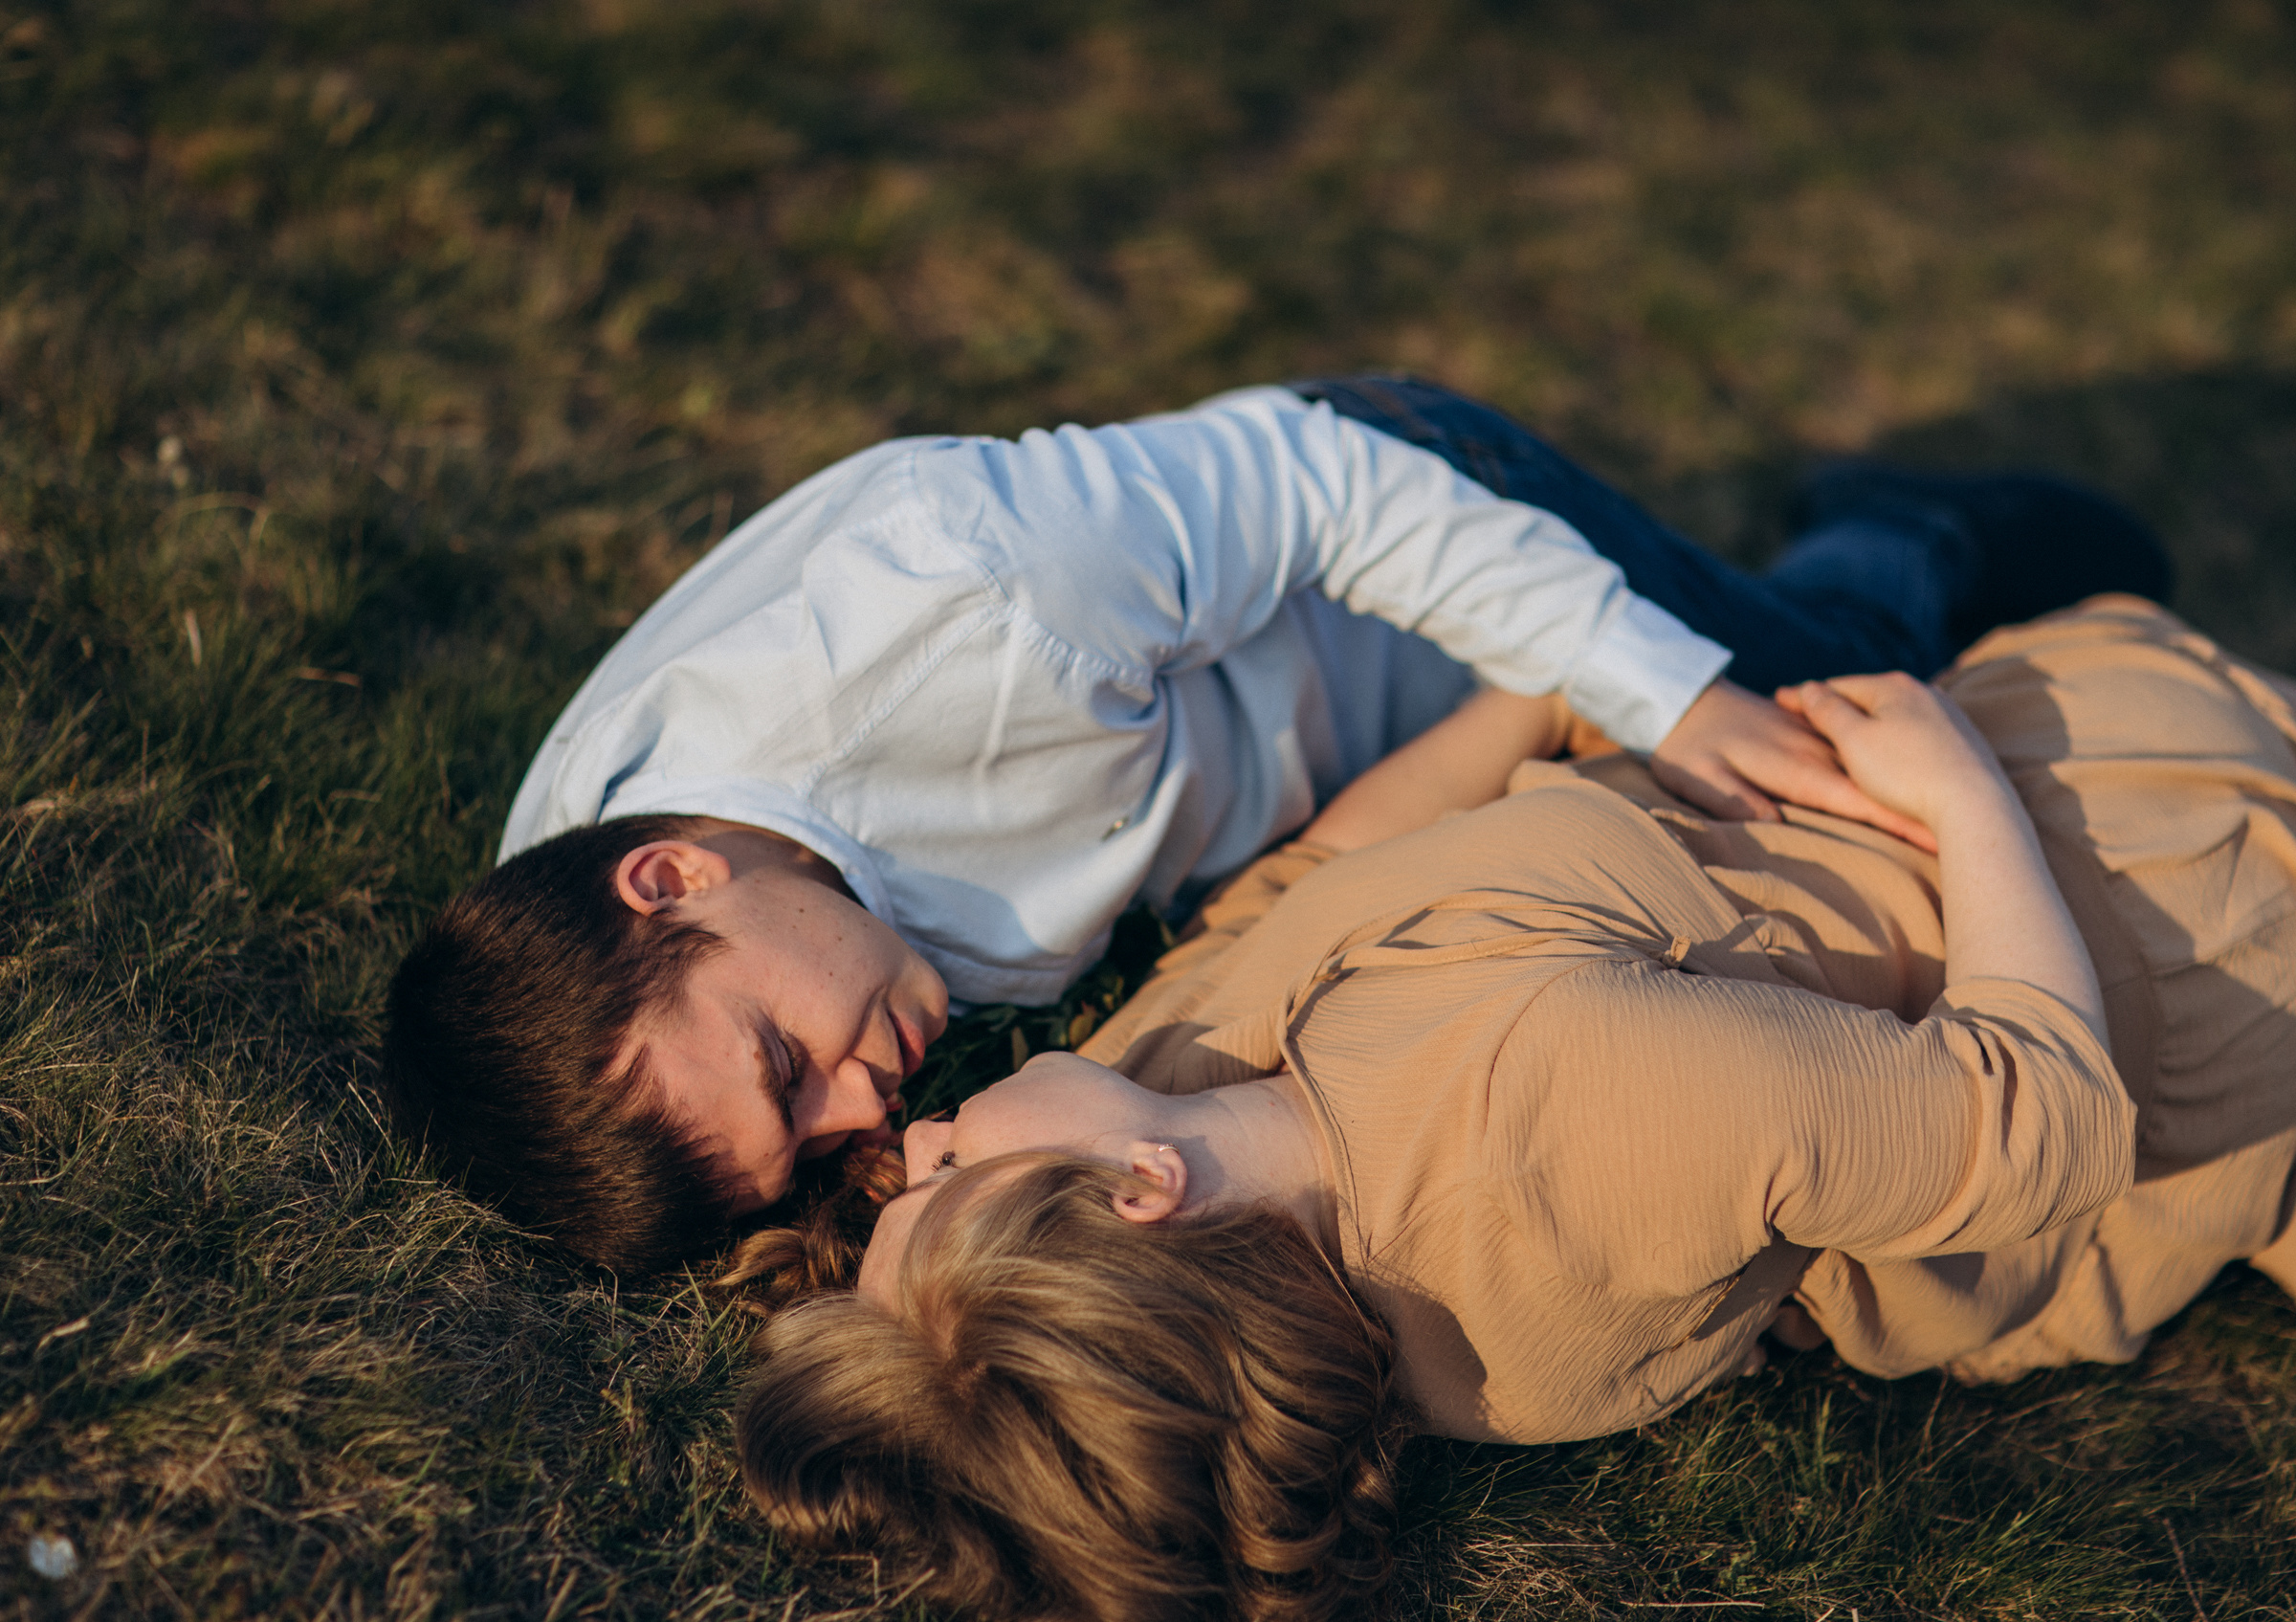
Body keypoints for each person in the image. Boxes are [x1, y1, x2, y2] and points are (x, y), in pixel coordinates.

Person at [735, 595, 2296, 1622]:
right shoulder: (1564, 1112)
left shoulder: (1180, 1123)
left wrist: (1538, 696)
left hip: (1752, 810)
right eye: (939, 1183)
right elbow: (2041, 1115)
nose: (912, 1147)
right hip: (2144, 905)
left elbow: (1296, 895)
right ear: (1145, 1194)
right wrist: (1964, 793)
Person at [382, 375, 2170, 1271]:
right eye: (815, 1132)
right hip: (1297, 776)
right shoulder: (598, 934)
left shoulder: (964, 595)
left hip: (1417, 557)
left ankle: (1909, 526)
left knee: (1818, 704)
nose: (877, 1102)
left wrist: (1668, 695)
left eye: (793, 1064)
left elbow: (1338, 494)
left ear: (672, 873)